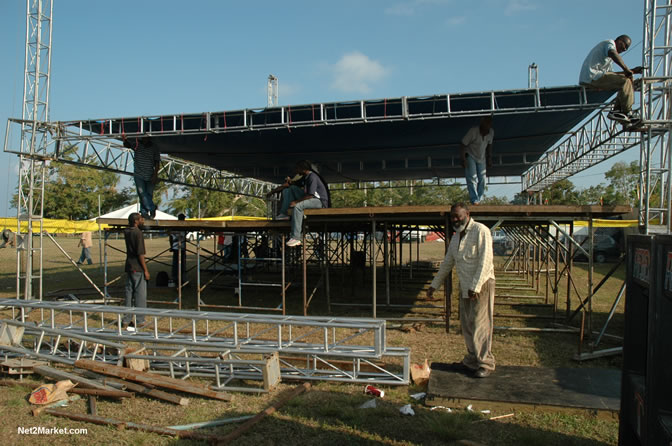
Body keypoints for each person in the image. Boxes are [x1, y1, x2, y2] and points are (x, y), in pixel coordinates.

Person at [427, 203, 496, 378]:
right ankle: (472, 360)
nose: (455, 220)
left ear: (467, 214)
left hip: (482, 285)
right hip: (465, 286)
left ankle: (485, 363)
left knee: (481, 325)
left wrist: (476, 286)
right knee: (467, 324)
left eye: (458, 216)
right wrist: (434, 285)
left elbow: (485, 261)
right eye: (452, 217)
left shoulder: (481, 231)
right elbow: (447, 263)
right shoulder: (456, 237)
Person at [579, 35, 643, 123]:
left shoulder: (609, 58)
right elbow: (613, 53)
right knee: (625, 81)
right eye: (625, 46)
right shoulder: (609, 43)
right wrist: (626, 69)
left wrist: (632, 71)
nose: (624, 50)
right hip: (592, 76)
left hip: (595, 77)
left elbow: (612, 75)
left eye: (626, 49)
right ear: (619, 40)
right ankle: (627, 111)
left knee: (623, 81)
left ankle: (617, 111)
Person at [286, 160, 330, 247]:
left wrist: (296, 202)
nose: (296, 171)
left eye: (298, 169)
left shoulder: (312, 177)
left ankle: (296, 237)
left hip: (319, 201)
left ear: (303, 169)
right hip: (311, 198)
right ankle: (286, 214)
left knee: (298, 207)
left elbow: (310, 195)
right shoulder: (306, 177)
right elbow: (296, 184)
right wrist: (290, 182)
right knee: (292, 189)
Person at [123, 212, 149, 331]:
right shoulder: (137, 233)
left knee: (129, 294)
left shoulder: (127, 231)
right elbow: (140, 254)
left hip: (129, 265)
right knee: (140, 294)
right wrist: (145, 270)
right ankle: (140, 320)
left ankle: (126, 319)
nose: (143, 220)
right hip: (137, 267)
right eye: (141, 219)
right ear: (136, 221)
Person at [123, 136, 160, 219]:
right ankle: (150, 209)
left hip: (149, 174)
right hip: (138, 174)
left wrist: (155, 175)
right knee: (142, 193)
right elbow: (127, 145)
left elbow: (157, 162)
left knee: (148, 194)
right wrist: (124, 138)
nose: (144, 139)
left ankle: (144, 212)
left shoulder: (154, 147)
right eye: (143, 138)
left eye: (146, 138)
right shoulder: (137, 145)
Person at [460, 116, 494, 205]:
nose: (487, 127)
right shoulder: (473, 131)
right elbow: (463, 144)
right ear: (481, 123)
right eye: (486, 123)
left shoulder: (491, 132)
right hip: (470, 155)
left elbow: (490, 145)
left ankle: (479, 198)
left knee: (483, 179)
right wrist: (463, 159)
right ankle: (474, 199)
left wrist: (489, 158)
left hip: (481, 158)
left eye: (489, 124)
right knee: (472, 177)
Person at [169, 213, 187, 287]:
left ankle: (180, 278)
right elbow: (171, 236)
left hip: (180, 247)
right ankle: (176, 279)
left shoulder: (182, 227)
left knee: (181, 263)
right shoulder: (178, 227)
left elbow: (170, 237)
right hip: (177, 248)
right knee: (177, 264)